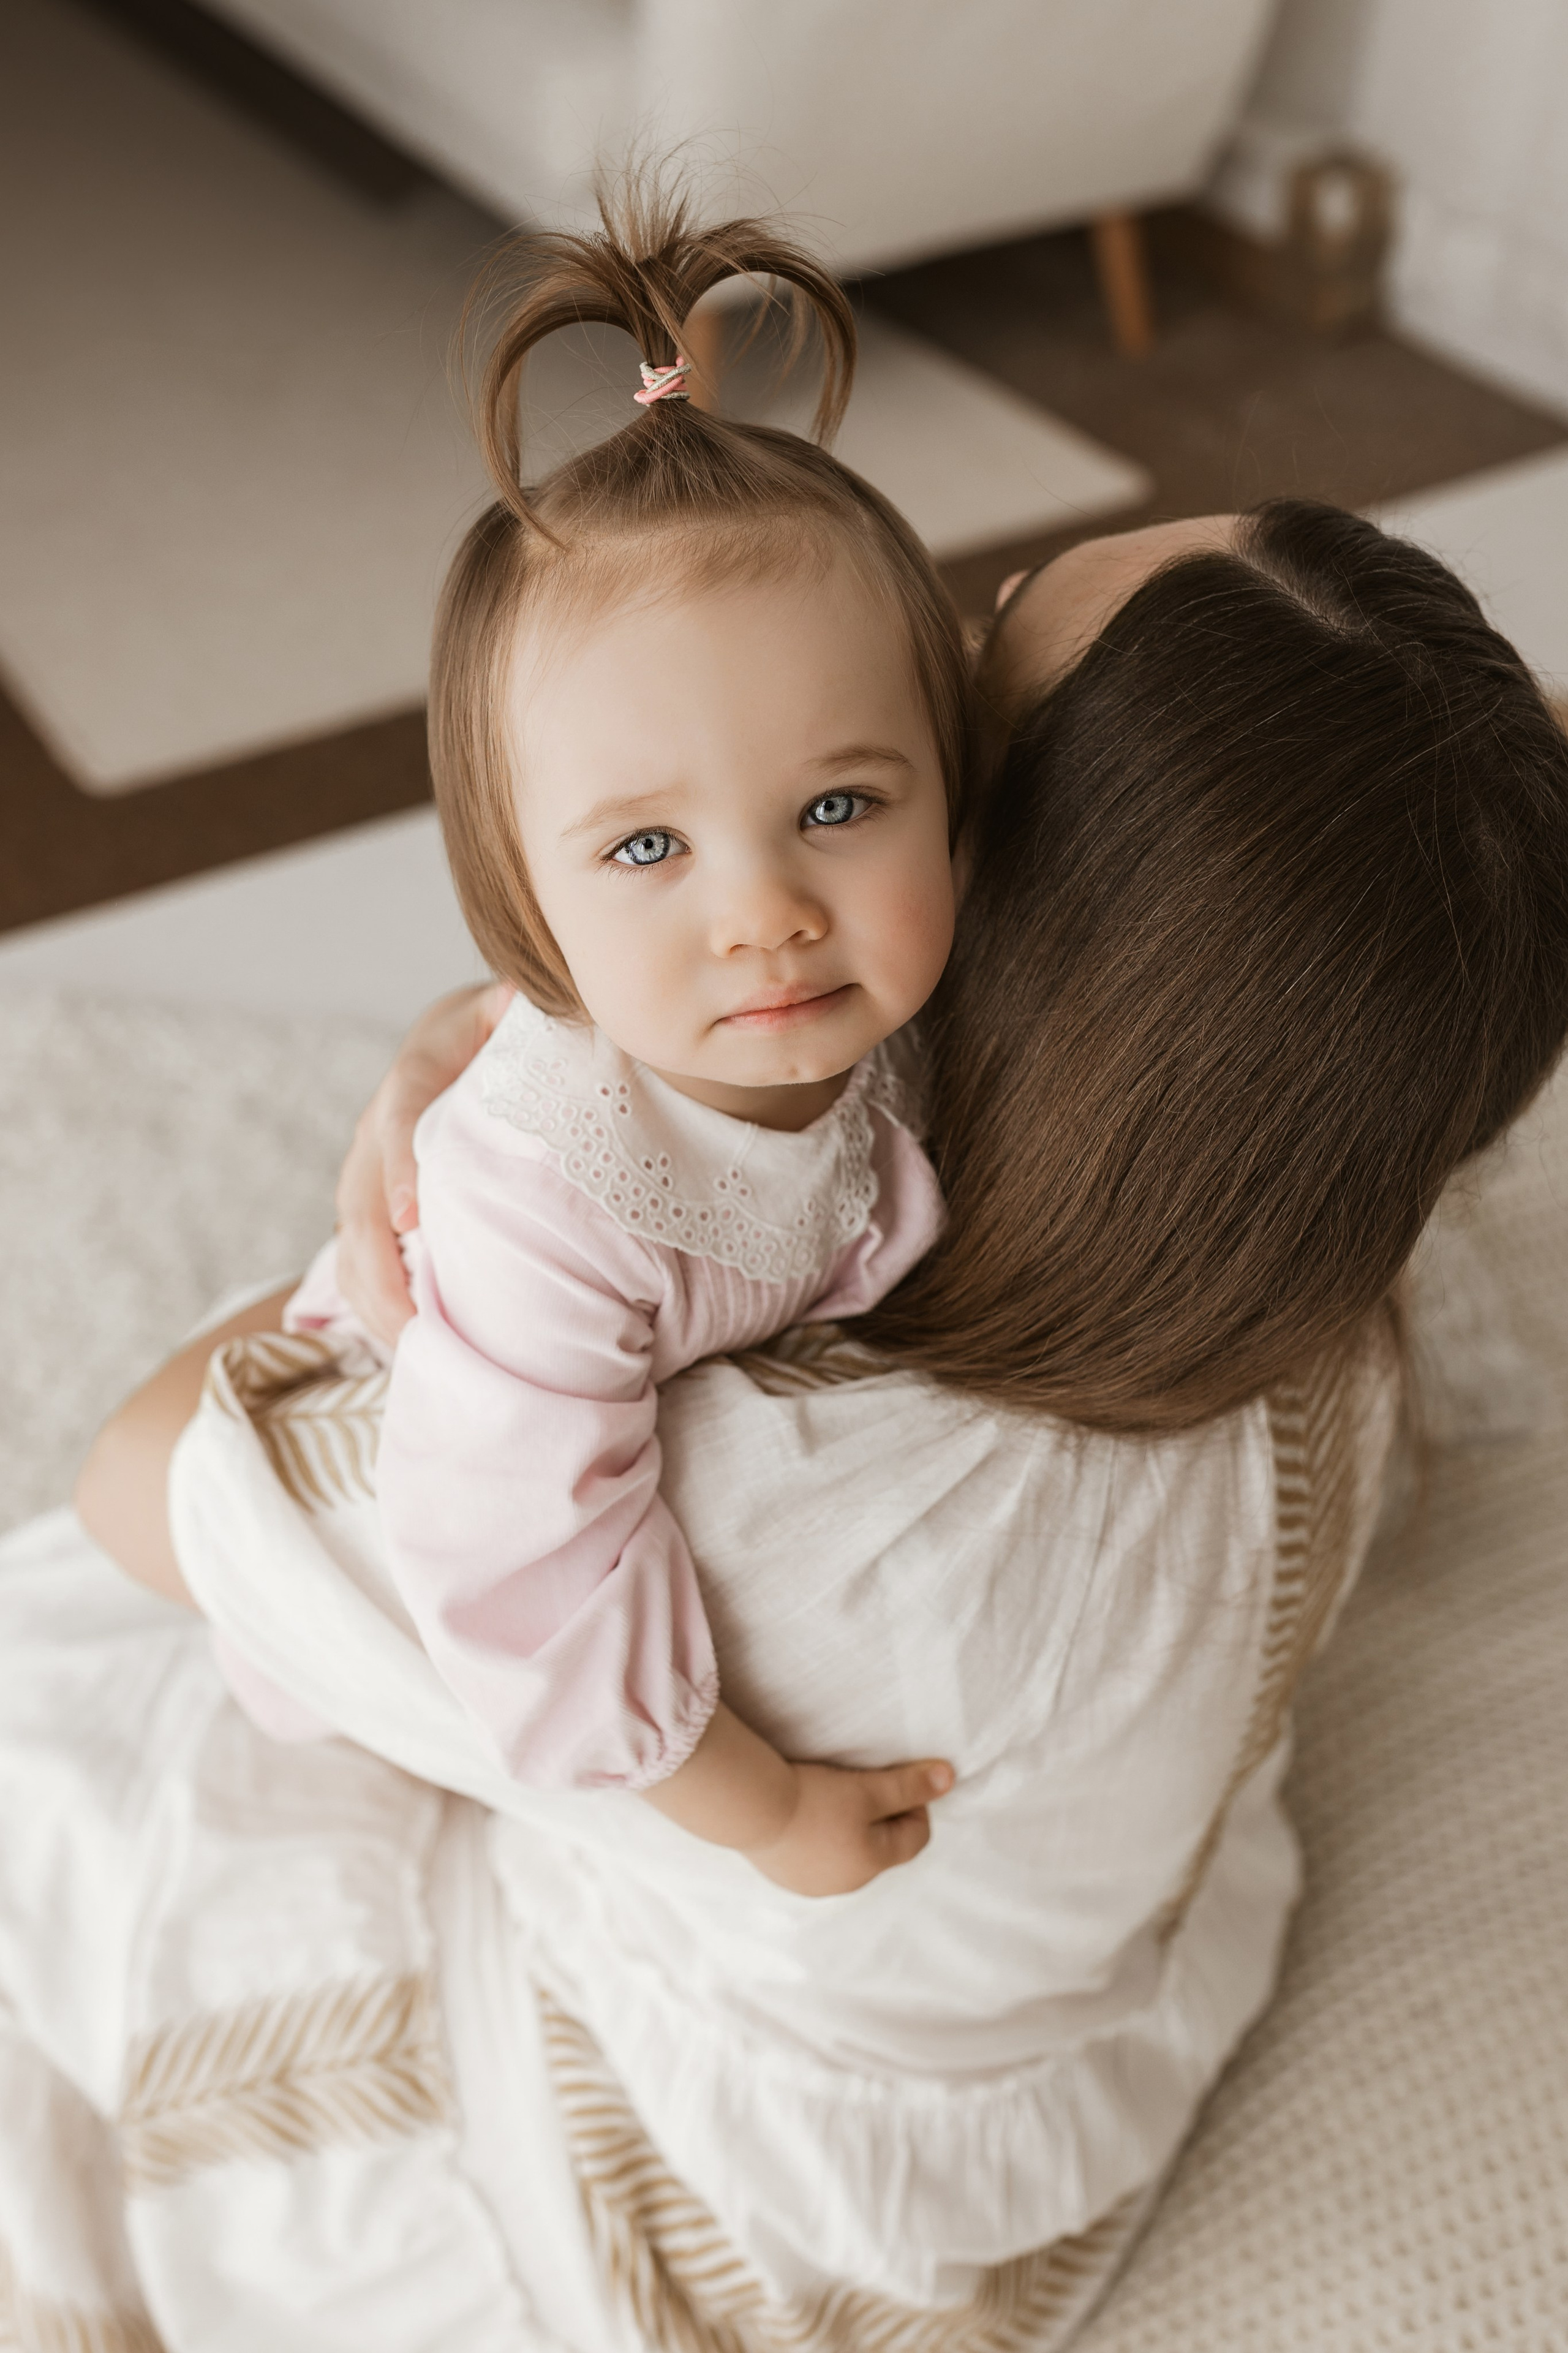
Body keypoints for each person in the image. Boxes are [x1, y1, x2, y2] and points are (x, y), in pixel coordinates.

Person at [60, 490, 1568, 2345]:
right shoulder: (1312, 1194)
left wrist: (504, 1197)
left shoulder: (789, 1498)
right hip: (1096, 1991)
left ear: (1019, 895)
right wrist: (529, 1054)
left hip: (759, 2195)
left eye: (960, 685)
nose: (959, 622)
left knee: (76, 1718)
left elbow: (155, 1469)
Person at [200, 186, 979, 1897]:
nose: (765, 910)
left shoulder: (926, 1011)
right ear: (525, 907)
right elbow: (520, 1561)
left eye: (839, 803)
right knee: (178, 1519)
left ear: (959, 799)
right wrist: (759, 1804)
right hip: (405, 1414)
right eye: (647, 848)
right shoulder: (555, 1197)